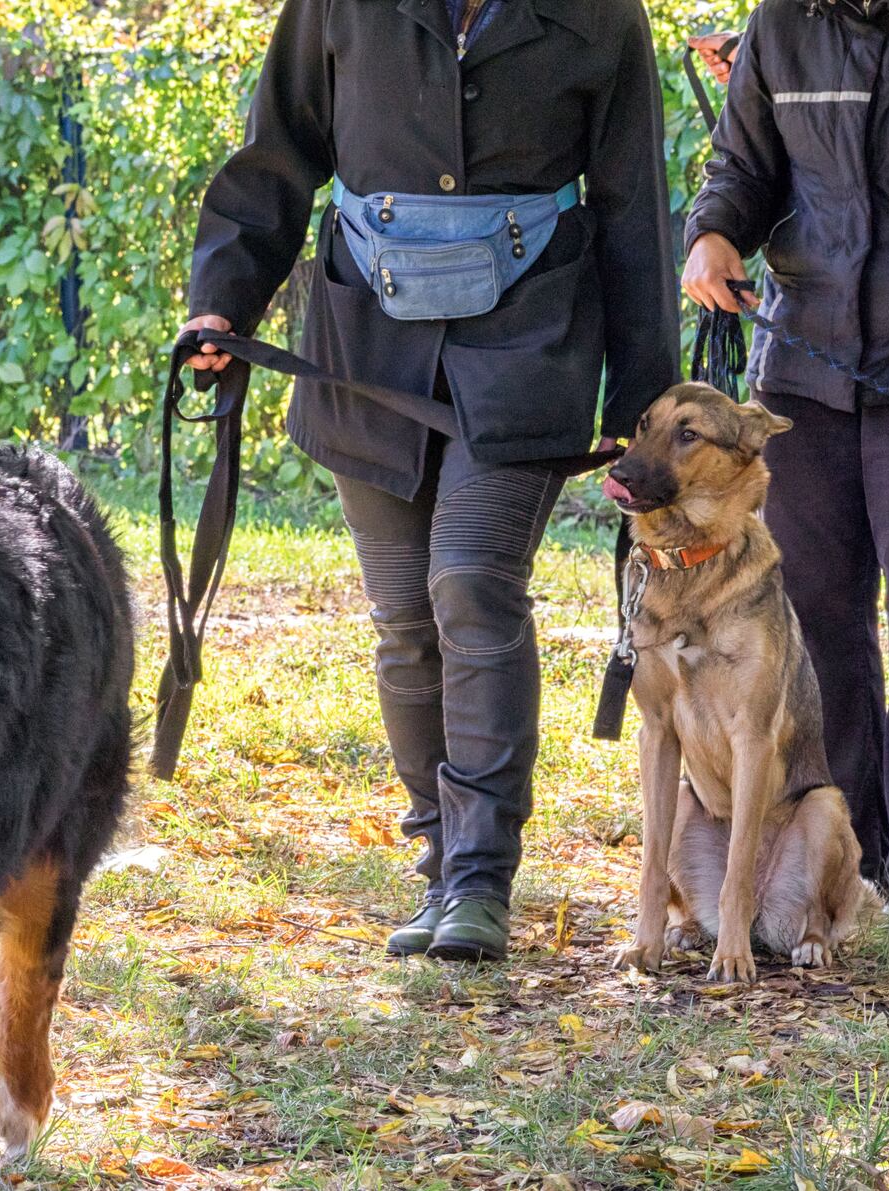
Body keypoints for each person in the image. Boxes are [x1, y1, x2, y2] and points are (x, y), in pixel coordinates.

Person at [184, 0, 677, 960]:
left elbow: (631, 200)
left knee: (472, 584)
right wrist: (220, 301)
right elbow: (278, 153)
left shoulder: (601, 13)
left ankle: (481, 881)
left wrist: (642, 393)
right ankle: (439, 863)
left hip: (533, 342)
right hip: (364, 345)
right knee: (405, 617)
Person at [682, 0, 889, 917]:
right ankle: (846, 856)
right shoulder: (782, 23)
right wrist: (712, 233)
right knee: (816, 620)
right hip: (804, 367)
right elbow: (743, 166)